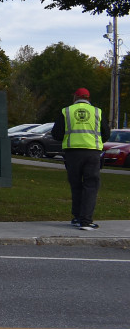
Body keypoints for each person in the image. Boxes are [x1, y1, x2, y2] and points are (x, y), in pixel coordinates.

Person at [51, 88, 109, 230]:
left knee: (76, 185)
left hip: (72, 153)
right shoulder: (97, 112)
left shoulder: (66, 111)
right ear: (88, 98)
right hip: (92, 152)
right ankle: (86, 221)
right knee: (91, 185)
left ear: (76, 97)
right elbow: (106, 133)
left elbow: (56, 134)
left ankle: (77, 217)